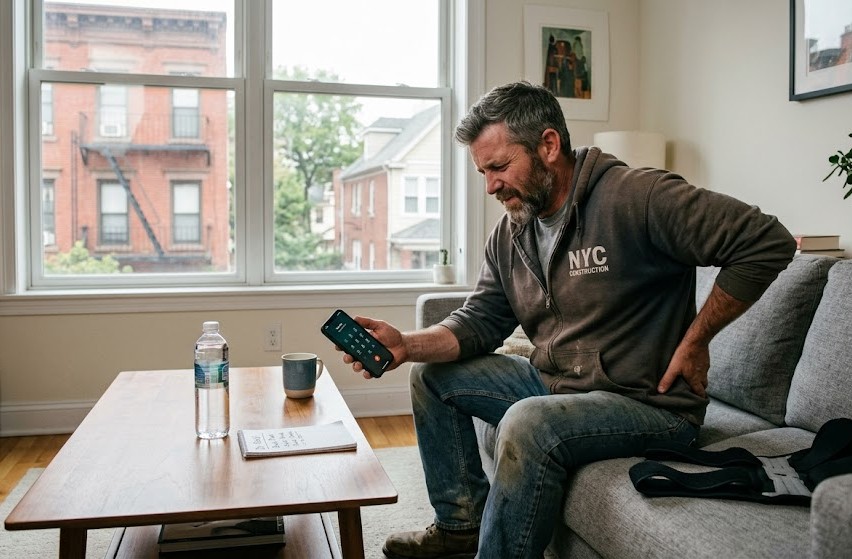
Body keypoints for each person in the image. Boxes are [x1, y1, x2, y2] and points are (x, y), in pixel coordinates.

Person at [334, 81, 796, 559]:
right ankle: (460, 525)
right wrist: (407, 344)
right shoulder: (513, 230)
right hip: (556, 386)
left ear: (548, 146)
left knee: (529, 422)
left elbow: (766, 242)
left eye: (498, 166)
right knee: (431, 378)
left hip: (649, 403)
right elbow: (480, 321)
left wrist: (698, 339)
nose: (490, 185)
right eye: (482, 171)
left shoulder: (637, 197)